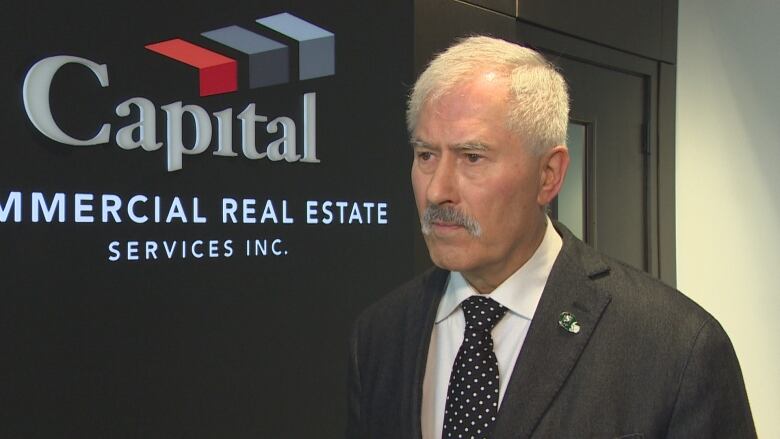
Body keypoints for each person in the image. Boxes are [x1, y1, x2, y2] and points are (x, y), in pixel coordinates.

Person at [346, 36, 755, 439]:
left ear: (549, 175)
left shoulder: (676, 347)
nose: (437, 191)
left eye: (472, 157)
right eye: (426, 155)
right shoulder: (380, 335)